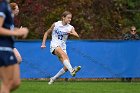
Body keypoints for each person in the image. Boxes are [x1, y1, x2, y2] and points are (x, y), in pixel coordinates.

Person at [41, 11, 81, 85]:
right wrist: (43, 43)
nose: (70, 20)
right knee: (62, 55)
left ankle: (53, 78)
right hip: (54, 45)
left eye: (70, 18)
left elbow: (77, 35)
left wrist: (72, 33)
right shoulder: (56, 24)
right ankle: (72, 70)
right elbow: (46, 33)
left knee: (66, 67)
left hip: (63, 47)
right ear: (63, 17)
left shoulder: (70, 27)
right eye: (68, 18)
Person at [0, 0, 29, 93]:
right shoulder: (3, 7)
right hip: (3, 48)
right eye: (17, 9)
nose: (18, 10)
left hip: (9, 47)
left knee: (16, 83)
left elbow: (7, 28)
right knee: (7, 83)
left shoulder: (6, 8)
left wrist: (19, 31)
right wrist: (17, 32)